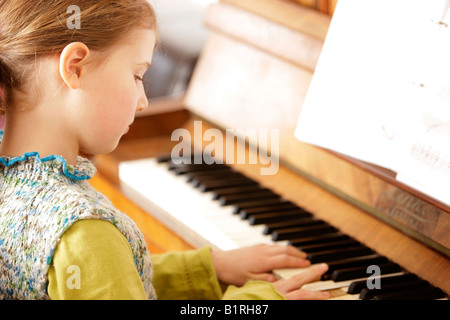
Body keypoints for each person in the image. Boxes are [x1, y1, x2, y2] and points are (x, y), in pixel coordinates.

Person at [0, 0, 329, 300]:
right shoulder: (83, 230)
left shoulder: (14, 192)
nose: (143, 101)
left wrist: (204, 269)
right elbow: (96, 264)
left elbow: (97, 278)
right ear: (75, 66)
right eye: (137, 75)